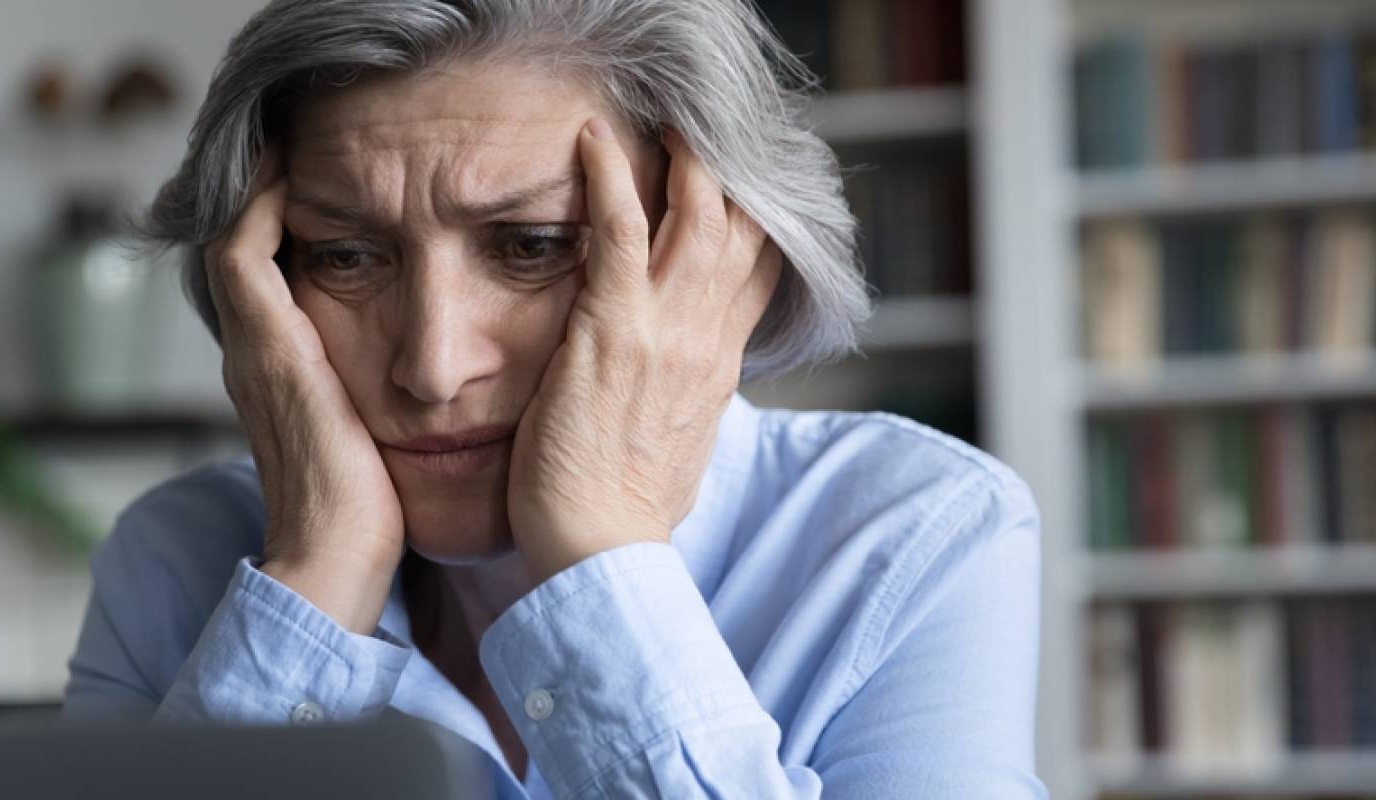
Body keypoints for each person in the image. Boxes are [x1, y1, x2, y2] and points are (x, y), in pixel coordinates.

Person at [63, 1, 1045, 797]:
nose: (433, 366)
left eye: (532, 246)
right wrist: (318, 576)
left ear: (715, 254)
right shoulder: (176, 560)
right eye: (346, 256)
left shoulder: (911, 534)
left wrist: (602, 548)